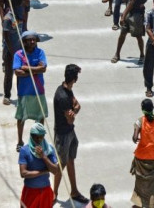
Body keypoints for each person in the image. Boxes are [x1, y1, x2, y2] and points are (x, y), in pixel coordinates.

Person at [52, 64, 90, 205]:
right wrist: (74, 111)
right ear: (75, 78)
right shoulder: (62, 96)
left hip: (70, 132)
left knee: (70, 160)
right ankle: (54, 193)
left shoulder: (67, 90)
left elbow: (77, 105)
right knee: (61, 164)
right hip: (62, 134)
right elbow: (70, 118)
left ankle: (74, 191)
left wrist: (74, 110)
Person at [13, 30, 48, 151]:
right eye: (29, 40)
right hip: (24, 91)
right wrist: (35, 69)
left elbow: (43, 68)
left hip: (38, 90)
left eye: (34, 39)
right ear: (24, 42)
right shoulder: (18, 54)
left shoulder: (40, 52)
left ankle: (39, 141)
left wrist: (26, 68)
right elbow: (17, 72)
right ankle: (19, 141)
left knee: (40, 117)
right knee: (21, 118)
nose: (32, 42)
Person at [0, 0, 29, 104]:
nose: (22, 8)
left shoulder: (21, 16)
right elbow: (6, 37)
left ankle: (21, 95)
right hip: (10, 50)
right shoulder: (8, 19)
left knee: (20, 73)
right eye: (20, 6)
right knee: (9, 74)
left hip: (19, 49)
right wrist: (13, 52)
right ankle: (7, 95)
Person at [18, 122, 59, 208]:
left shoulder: (49, 149)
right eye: (35, 136)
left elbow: (55, 171)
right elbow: (23, 173)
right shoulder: (24, 150)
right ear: (31, 135)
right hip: (30, 191)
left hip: (45, 191)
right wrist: (43, 171)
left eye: (41, 136)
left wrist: (43, 156)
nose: (38, 139)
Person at [113, 0, 148, 64]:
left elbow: (131, 2)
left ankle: (119, 54)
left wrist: (123, 15)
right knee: (130, 35)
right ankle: (140, 55)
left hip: (133, 15)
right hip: (137, 13)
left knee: (134, 35)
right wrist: (140, 4)